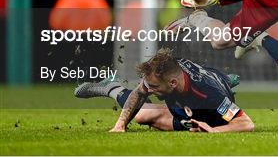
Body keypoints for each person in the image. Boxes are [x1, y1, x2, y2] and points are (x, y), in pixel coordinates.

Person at [74, 48, 254, 133]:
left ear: (173, 83)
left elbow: (247, 124)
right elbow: (139, 92)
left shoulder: (208, 93)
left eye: (153, 87)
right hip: (189, 99)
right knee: (141, 116)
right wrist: (120, 125)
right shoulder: (164, 71)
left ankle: (225, 81)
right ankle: (111, 87)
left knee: (207, 119)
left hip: (210, 96)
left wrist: (214, 131)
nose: (149, 90)